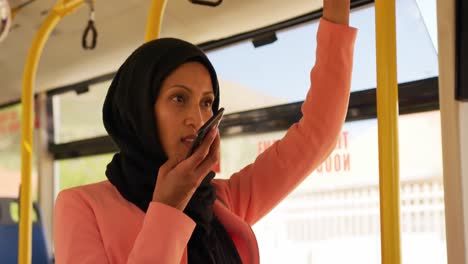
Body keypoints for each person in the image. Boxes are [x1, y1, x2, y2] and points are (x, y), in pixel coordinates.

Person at [53, 0, 357, 263]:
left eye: (207, 103)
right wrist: (168, 207)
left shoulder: (221, 201)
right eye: (179, 98)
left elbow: (318, 133)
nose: (197, 118)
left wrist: (336, 11)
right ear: (140, 109)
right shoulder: (82, 207)